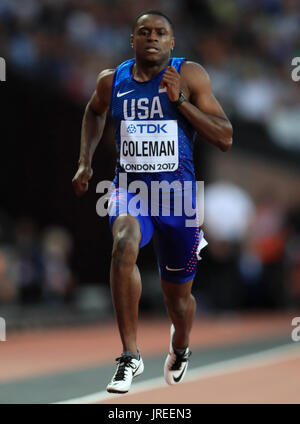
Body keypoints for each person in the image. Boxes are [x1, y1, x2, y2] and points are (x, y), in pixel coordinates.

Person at [72, 10, 233, 394]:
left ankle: (181, 346)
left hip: (178, 201)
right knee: (123, 245)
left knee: (179, 302)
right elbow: (94, 112)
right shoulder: (113, 81)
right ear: (133, 40)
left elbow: (225, 137)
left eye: (161, 32)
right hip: (132, 193)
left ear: (172, 42)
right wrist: (84, 161)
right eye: (144, 32)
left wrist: (181, 103)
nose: (152, 37)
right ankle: (130, 355)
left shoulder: (190, 75)